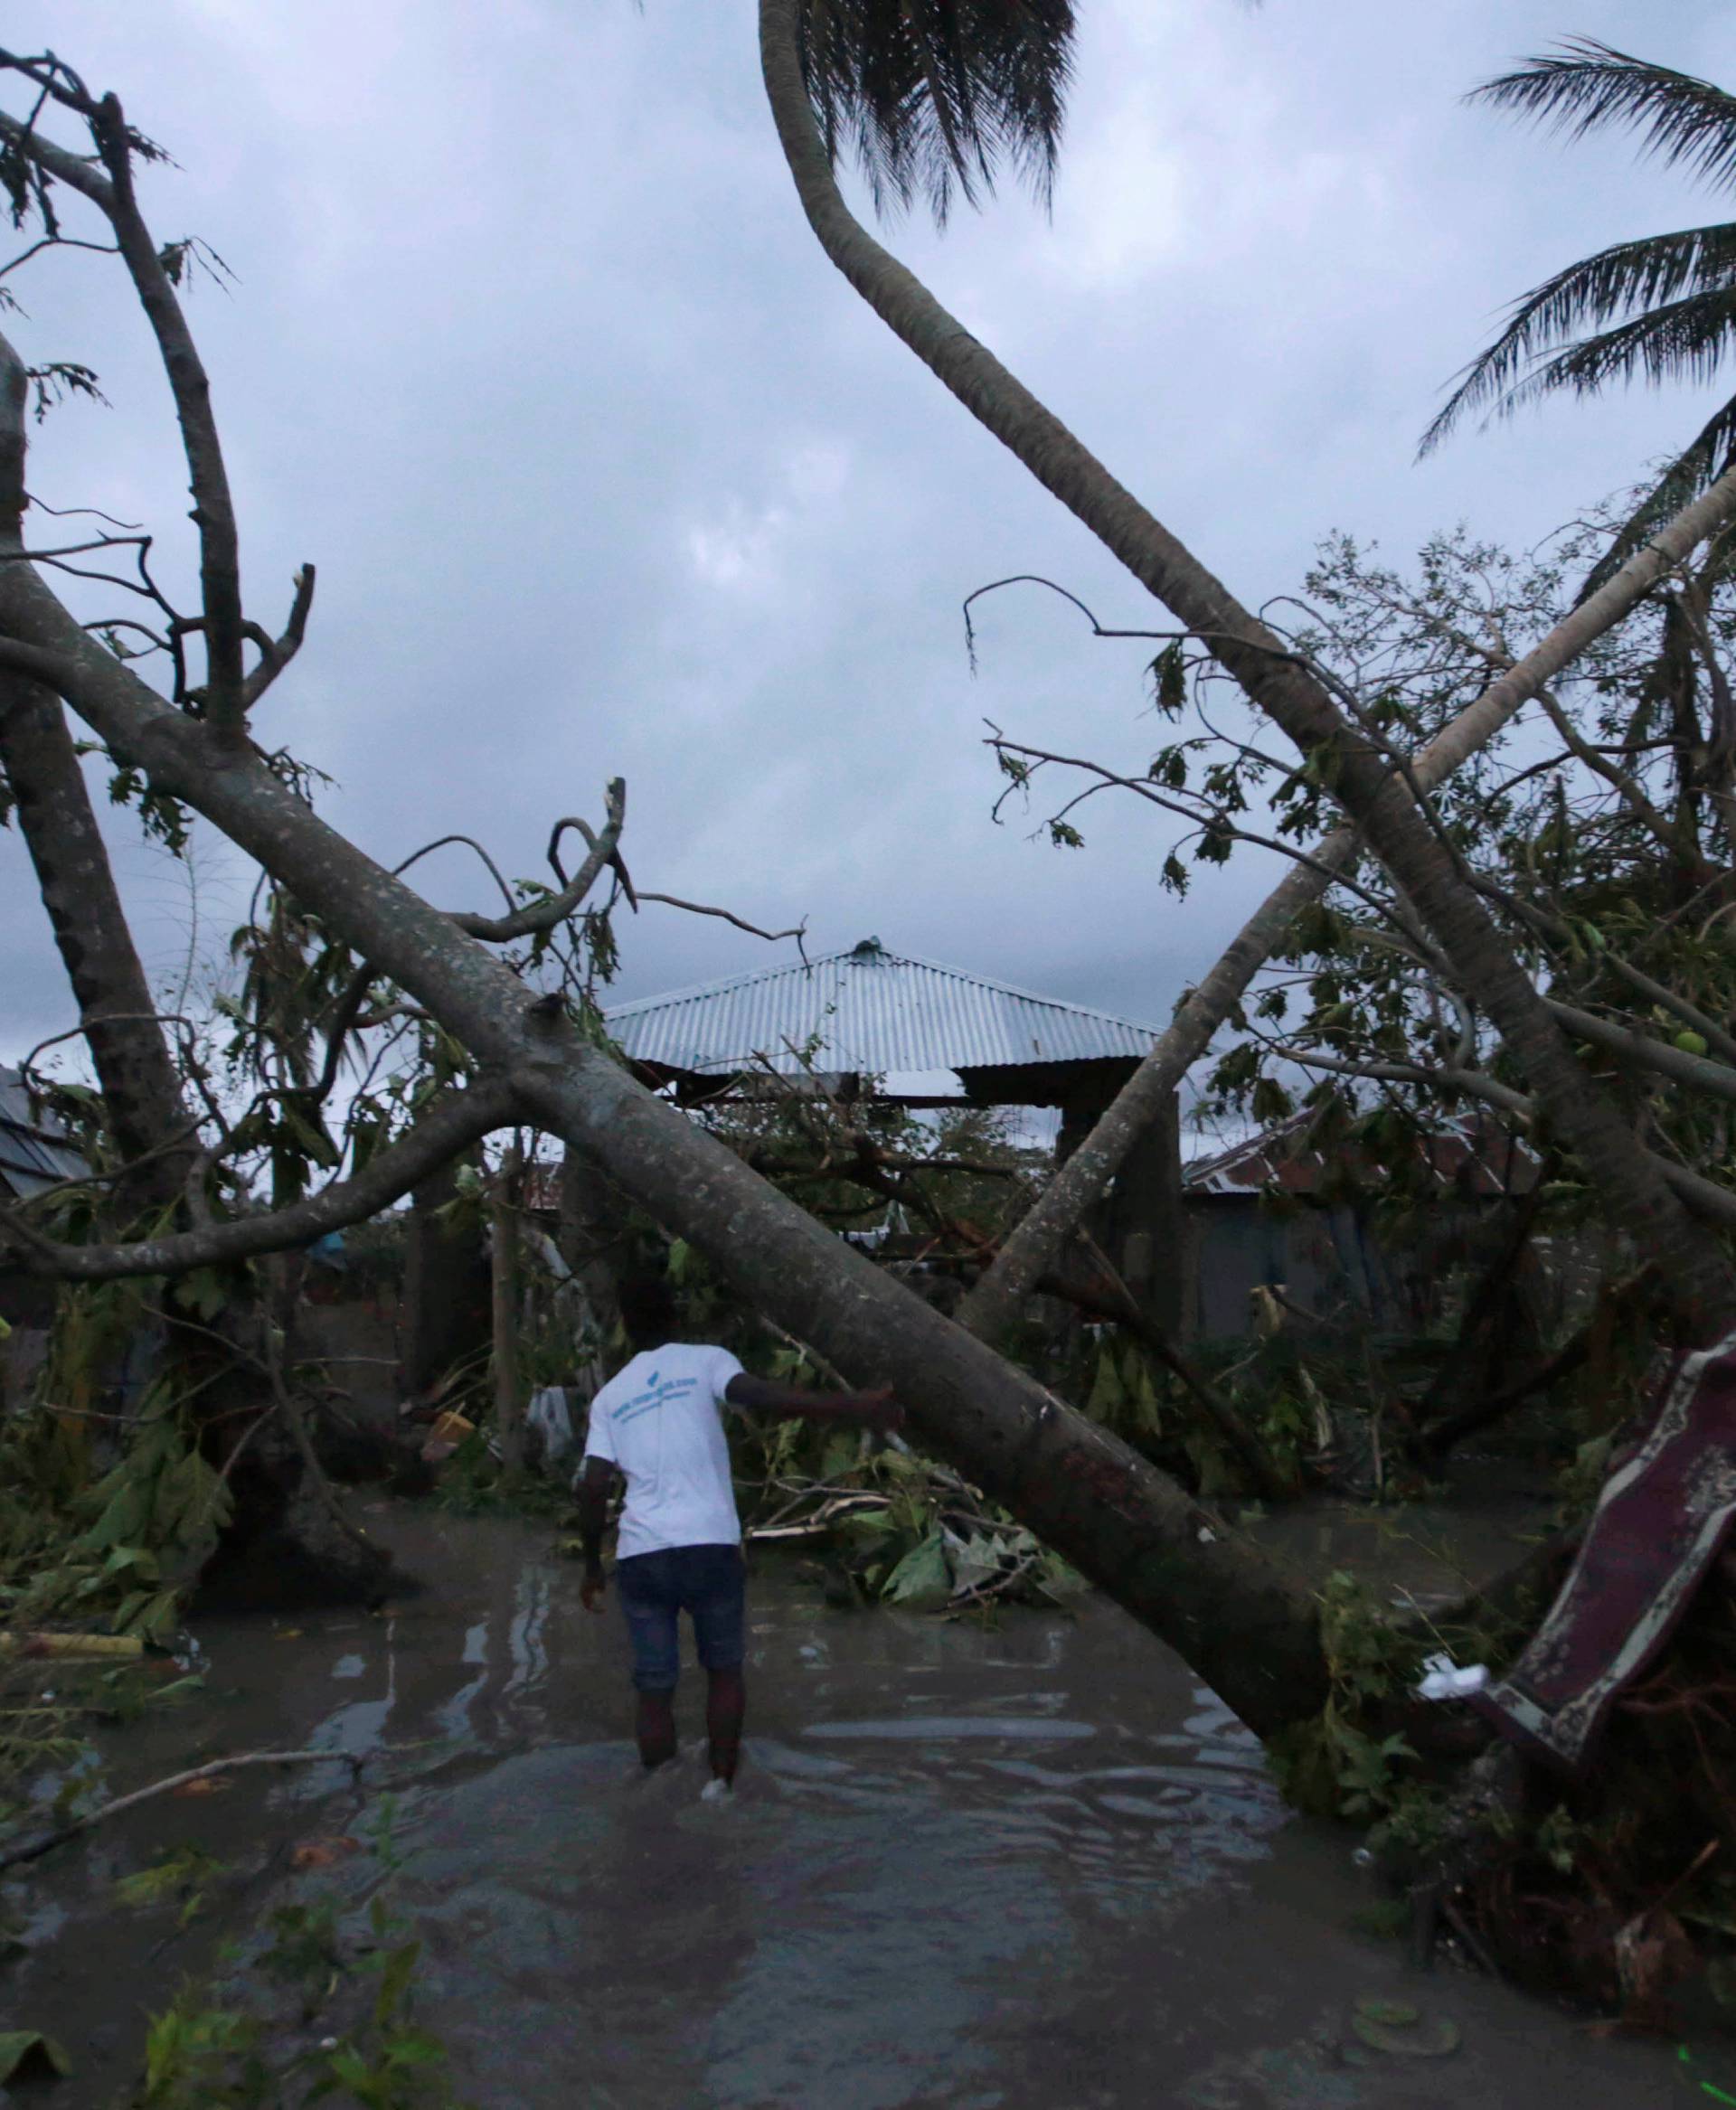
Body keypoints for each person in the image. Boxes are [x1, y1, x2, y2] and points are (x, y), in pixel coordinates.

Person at [574, 1274, 903, 1794]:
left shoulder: (611, 1397)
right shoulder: (707, 1360)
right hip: (710, 1548)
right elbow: (766, 1398)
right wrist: (855, 1407)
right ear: (676, 1315)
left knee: (654, 1690)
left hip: (643, 1557)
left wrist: (592, 1564)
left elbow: (593, 1487)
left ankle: (657, 1798)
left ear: (626, 1328)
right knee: (723, 1673)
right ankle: (719, 1790)